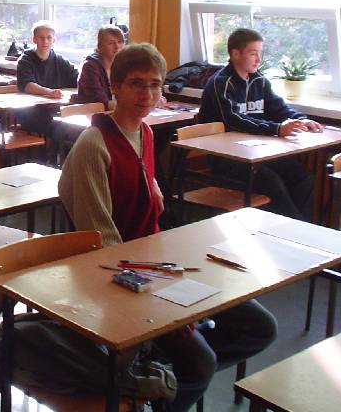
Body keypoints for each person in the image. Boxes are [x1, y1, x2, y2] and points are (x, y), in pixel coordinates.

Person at [59, 43, 277, 412]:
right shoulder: (94, 144)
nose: (147, 94)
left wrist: (153, 188)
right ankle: (165, 374)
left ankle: (161, 375)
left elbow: (142, 193)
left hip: (159, 262)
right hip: (125, 279)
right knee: (201, 362)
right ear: (115, 86)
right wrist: (165, 304)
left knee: (260, 326)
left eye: (155, 84)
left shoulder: (144, 132)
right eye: (136, 84)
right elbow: (103, 248)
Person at [198, 28, 320, 220]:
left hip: (257, 152)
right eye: (253, 54)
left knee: (302, 176)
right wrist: (277, 129)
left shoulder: (259, 80)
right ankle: (294, 228)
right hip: (228, 158)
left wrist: (301, 119)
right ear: (235, 54)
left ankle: (299, 227)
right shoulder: (220, 83)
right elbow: (234, 120)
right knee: (272, 183)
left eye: (260, 53)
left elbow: (278, 107)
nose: (258, 59)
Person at [16, 21, 78, 142]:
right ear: (34, 39)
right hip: (31, 113)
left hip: (56, 110)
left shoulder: (60, 60)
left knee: (75, 126)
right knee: (62, 128)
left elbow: (77, 77)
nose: (45, 41)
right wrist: (49, 92)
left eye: (49, 38)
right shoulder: (25, 60)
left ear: (54, 40)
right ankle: (54, 154)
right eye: (41, 38)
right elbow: (27, 85)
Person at [75, 25, 126, 110]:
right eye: (111, 43)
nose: (117, 46)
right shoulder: (89, 66)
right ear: (100, 46)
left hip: (115, 112)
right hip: (92, 114)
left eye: (119, 42)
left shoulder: (122, 66)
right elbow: (98, 98)